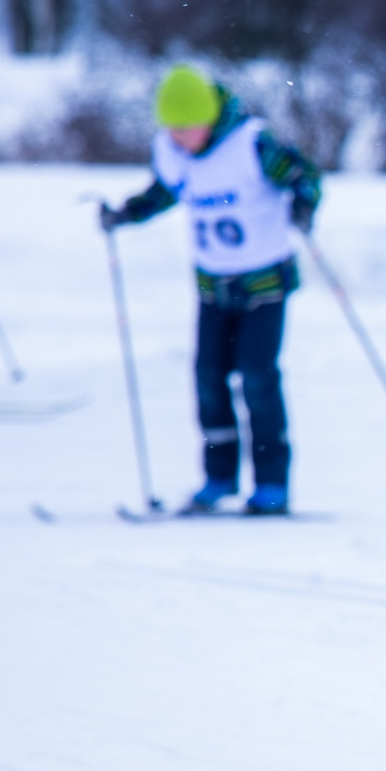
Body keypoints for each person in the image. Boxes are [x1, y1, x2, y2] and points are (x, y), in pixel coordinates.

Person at [100, 66, 322, 515]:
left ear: (211, 117)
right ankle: (219, 477)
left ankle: (271, 483)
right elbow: (165, 192)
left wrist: (303, 202)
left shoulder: (251, 144)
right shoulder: (171, 152)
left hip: (264, 281)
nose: (182, 138)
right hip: (212, 285)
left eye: (189, 128)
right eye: (174, 130)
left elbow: (303, 175)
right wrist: (126, 214)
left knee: (257, 377)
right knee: (208, 378)